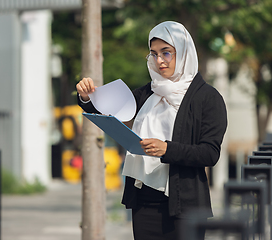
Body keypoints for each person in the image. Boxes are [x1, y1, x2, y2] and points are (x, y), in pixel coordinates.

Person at [76, 21, 227, 240]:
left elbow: (210, 153)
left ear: (184, 52)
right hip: (144, 203)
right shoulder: (148, 93)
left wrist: (167, 149)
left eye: (166, 53)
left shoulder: (208, 98)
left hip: (185, 207)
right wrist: (87, 97)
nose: (159, 61)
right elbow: (109, 112)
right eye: (154, 54)